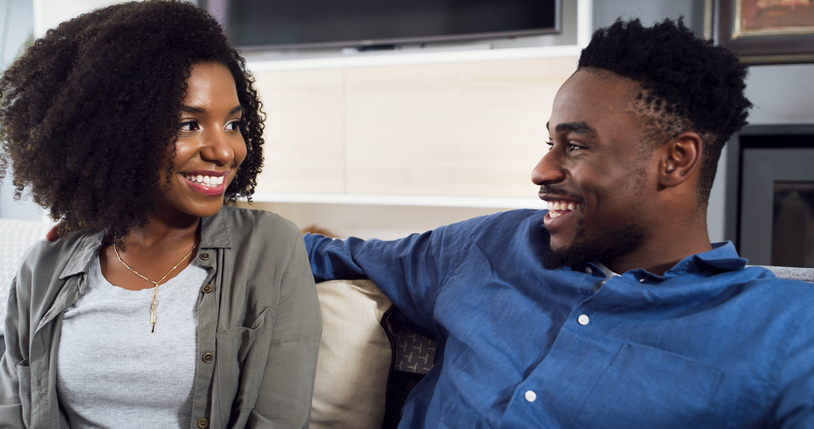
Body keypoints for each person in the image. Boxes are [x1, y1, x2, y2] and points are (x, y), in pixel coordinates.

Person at [304, 18, 814, 428]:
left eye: (575, 145)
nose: (541, 171)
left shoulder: (788, 328)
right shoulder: (493, 245)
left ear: (676, 160)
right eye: (550, 142)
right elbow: (324, 255)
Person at [0, 1, 321, 428]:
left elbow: (277, 419)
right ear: (120, 133)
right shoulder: (44, 268)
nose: (224, 151)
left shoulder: (270, 248)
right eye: (189, 124)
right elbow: (13, 413)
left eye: (232, 124)